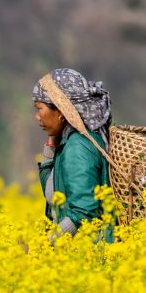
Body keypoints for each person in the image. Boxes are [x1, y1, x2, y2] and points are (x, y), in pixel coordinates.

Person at [32, 68, 112, 238]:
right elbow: (52, 191)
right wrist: (51, 145)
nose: (36, 117)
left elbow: (84, 212)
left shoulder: (78, 147)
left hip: (89, 253)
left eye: (39, 108)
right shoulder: (68, 143)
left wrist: (48, 243)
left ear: (60, 111)